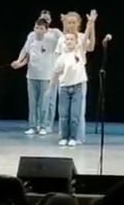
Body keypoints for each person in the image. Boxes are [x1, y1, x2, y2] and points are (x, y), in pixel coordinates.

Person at [11, 11, 63, 135]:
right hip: (32, 74)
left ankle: (44, 126)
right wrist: (19, 61)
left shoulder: (53, 36)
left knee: (45, 102)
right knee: (33, 102)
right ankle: (33, 126)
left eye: (41, 28)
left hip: (47, 75)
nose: (38, 30)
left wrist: (63, 23)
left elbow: (64, 38)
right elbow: (25, 51)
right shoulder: (31, 36)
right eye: (36, 27)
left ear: (46, 28)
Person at [55, 10, 98, 142]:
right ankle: (64, 135)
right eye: (69, 23)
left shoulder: (81, 37)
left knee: (77, 111)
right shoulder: (62, 39)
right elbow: (58, 58)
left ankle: (77, 136)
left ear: (79, 23)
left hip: (78, 78)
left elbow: (90, 47)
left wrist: (91, 26)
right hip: (64, 79)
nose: (71, 25)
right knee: (64, 111)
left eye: (74, 22)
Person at [53, 32, 87, 146]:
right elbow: (56, 72)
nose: (69, 41)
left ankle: (73, 137)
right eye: (67, 39)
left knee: (74, 115)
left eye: (71, 39)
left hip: (77, 87)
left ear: (76, 42)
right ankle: (64, 137)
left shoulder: (79, 53)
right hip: (64, 87)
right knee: (64, 115)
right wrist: (50, 87)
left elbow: (84, 43)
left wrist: (89, 27)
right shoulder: (62, 57)